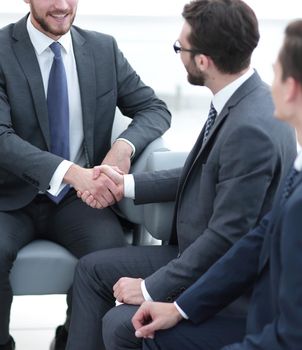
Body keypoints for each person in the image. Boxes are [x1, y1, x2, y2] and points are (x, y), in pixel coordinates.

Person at [65, 1, 297, 349]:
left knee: (120, 323)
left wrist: (149, 288)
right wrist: (124, 183)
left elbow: (226, 240)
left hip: (224, 277)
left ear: (203, 61)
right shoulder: (240, 100)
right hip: (194, 249)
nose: (179, 53)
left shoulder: (251, 129)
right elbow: (204, 171)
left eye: (180, 48)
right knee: (90, 269)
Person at [0, 0, 171, 349]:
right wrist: (72, 173)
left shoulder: (101, 48)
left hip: (79, 201)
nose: (63, 6)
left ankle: (70, 341)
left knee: (107, 255)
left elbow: (153, 108)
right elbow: (1, 138)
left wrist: (122, 147)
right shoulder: (2, 50)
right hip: (10, 198)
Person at [132, 19, 302, 349]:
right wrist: (180, 309)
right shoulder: (297, 169)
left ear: (292, 88)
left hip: (261, 321)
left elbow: (291, 336)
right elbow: (254, 243)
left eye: (276, 72)